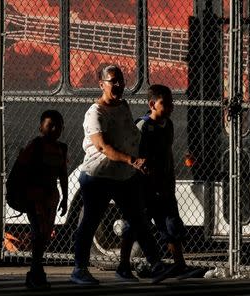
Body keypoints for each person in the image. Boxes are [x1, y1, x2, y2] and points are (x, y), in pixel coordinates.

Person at [71, 65, 163, 285]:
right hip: (98, 177)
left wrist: (138, 160)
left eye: (121, 80)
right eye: (113, 81)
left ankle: (156, 264)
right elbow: (103, 147)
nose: (119, 85)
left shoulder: (123, 106)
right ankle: (79, 270)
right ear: (101, 84)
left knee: (138, 219)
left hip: (123, 176)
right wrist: (132, 160)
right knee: (90, 221)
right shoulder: (95, 112)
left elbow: (130, 136)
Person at [135, 84, 189, 278]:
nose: (170, 108)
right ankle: (128, 264)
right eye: (165, 104)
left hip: (165, 185)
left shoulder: (169, 125)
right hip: (147, 187)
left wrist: (169, 181)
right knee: (138, 225)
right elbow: (137, 158)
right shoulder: (142, 126)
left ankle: (179, 263)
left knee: (171, 223)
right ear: (152, 104)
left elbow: (167, 155)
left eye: (171, 103)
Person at [18, 110, 68, 289]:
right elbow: (23, 169)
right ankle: (36, 272)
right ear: (41, 127)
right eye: (50, 125)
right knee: (38, 232)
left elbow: (63, 174)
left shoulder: (62, 148)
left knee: (44, 234)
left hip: (51, 198)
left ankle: (35, 272)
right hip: (35, 197)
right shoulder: (36, 145)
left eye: (58, 126)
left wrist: (65, 197)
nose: (55, 129)